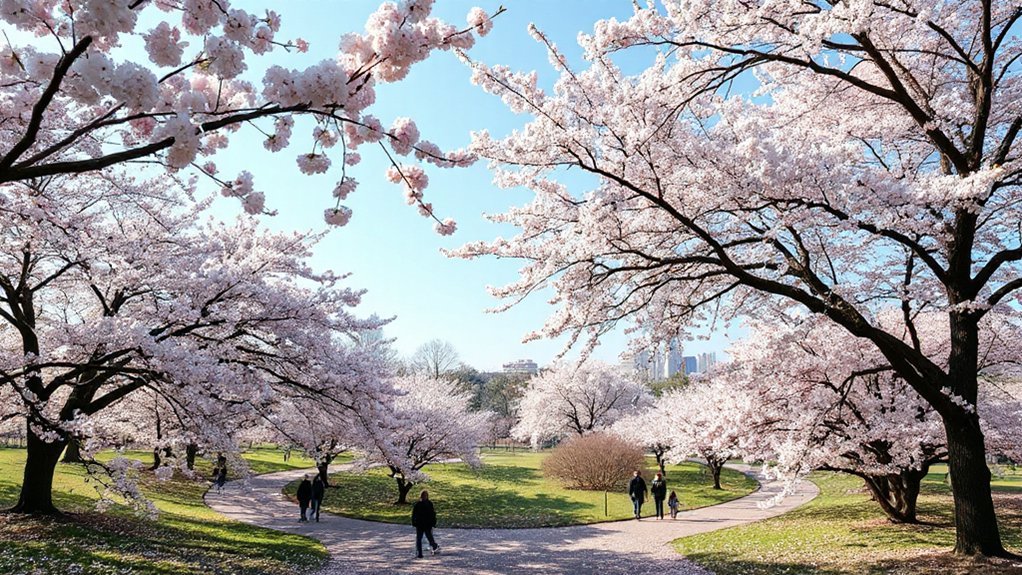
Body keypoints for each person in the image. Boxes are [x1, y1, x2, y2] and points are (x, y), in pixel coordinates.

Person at [411, 490, 441, 558]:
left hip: (427, 524)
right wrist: (414, 522)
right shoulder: (418, 504)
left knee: (429, 538)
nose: (424, 497)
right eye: (423, 496)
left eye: (425, 496)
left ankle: (434, 546)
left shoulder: (429, 504)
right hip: (420, 524)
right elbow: (414, 514)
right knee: (419, 539)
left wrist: (433, 523)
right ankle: (420, 553)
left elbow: (433, 514)